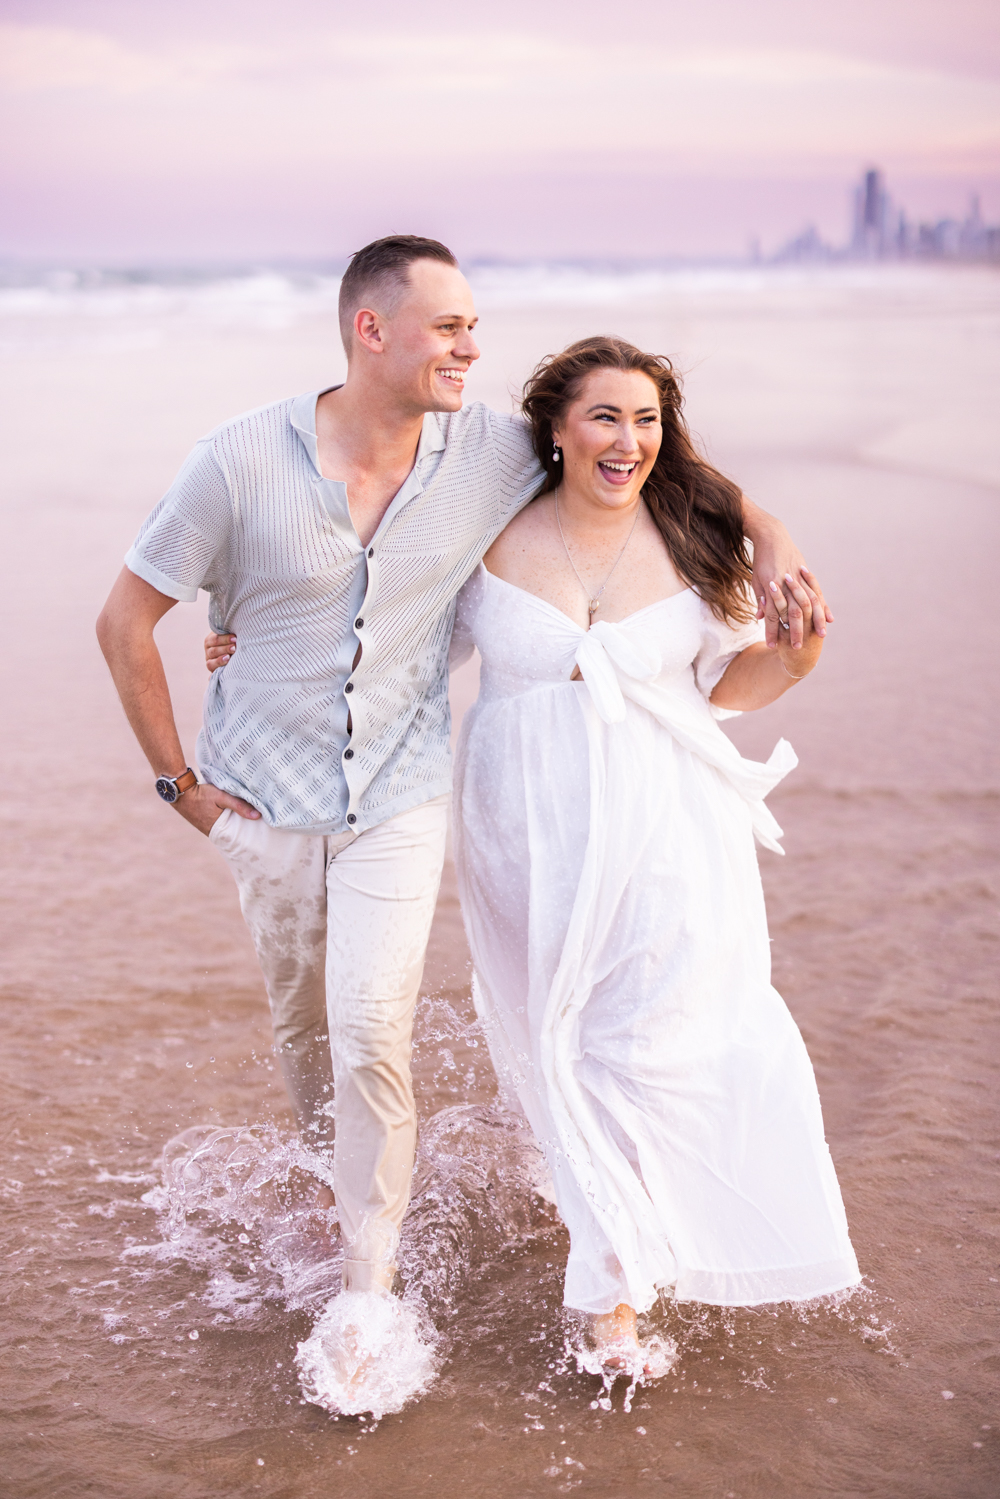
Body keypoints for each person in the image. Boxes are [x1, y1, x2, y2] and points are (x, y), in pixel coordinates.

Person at [97, 235, 824, 1336]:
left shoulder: (546, 479)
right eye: (450, 327)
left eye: (474, 326)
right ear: (369, 329)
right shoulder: (309, 466)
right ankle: (393, 1199)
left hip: (526, 801)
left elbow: (657, 472)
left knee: (454, 1027)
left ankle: (447, 1291)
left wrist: (769, 537)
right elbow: (177, 622)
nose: (471, 347)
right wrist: (199, 751)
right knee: (395, 1040)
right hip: (386, 808)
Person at [447, 336, 860, 1372]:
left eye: (646, 419)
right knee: (564, 1042)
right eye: (603, 416)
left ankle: (613, 1287)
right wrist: (246, 634)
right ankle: (614, 1235)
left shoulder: (689, 537)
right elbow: (389, 632)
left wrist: (798, 651)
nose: (626, 439)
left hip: (669, 824)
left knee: (659, 1034)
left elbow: (729, 691)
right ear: (553, 427)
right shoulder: (482, 529)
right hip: (522, 828)